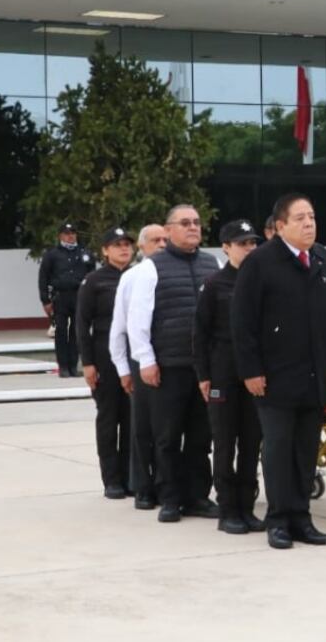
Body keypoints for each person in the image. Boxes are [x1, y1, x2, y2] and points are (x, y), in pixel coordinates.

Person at [232, 192, 326, 550]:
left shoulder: (323, 260)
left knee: (306, 450)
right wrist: (251, 369)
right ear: (280, 226)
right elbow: (243, 322)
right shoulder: (260, 262)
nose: (309, 223)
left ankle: (301, 517)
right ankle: (278, 519)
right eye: (300, 218)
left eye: (311, 216)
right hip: (276, 376)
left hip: (316, 375)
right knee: (279, 449)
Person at [128, 205, 220, 523]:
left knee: (200, 436)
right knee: (167, 436)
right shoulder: (151, 268)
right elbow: (138, 319)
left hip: (204, 368)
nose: (193, 227)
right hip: (168, 365)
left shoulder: (213, 263)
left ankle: (197, 496)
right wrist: (146, 360)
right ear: (168, 231)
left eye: (196, 222)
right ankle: (169, 498)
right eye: (185, 223)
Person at [194, 219, 265, 534]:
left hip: (256, 376)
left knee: (252, 442)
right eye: (242, 243)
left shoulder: (263, 283)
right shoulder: (214, 284)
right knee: (225, 443)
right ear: (226, 247)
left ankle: (247, 506)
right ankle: (228, 509)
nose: (249, 249)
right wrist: (203, 375)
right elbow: (201, 333)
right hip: (223, 372)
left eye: (252, 243)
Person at [109, 224, 168, 510]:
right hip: (141, 359)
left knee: (170, 430)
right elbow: (120, 327)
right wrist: (123, 367)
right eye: (155, 240)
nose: (162, 244)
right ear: (142, 247)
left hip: (172, 358)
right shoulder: (133, 277)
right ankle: (143, 487)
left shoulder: (178, 270)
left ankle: (170, 484)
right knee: (143, 428)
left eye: (165, 240)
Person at [76, 227, 135, 499]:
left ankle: (130, 477)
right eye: (117, 245)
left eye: (127, 244)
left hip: (133, 357)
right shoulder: (95, 281)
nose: (124, 249)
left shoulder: (139, 277)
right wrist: (88, 362)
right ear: (105, 250)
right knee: (109, 419)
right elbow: (82, 323)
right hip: (104, 357)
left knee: (132, 420)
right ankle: (111, 479)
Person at [38, 223, 95, 378]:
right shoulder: (52, 254)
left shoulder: (85, 253)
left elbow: (92, 276)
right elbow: (43, 278)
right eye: (67, 233)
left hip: (79, 296)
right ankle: (63, 366)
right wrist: (45, 300)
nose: (70, 236)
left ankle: (73, 366)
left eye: (73, 233)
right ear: (60, 236)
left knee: (77, 332)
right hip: (60, 297)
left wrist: (92, 298)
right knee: (61, 331)